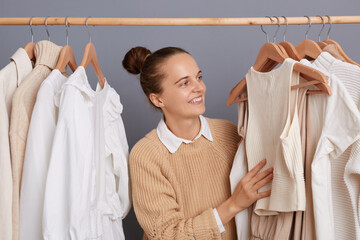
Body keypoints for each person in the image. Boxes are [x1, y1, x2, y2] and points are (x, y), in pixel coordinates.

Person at [122, 46, 273, 240]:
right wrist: (233, 204)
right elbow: (165, 235)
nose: (199, 87)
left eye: (199, 77)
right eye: (185, 83)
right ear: (158, 99)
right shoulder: (146, 154)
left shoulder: (230, 132)